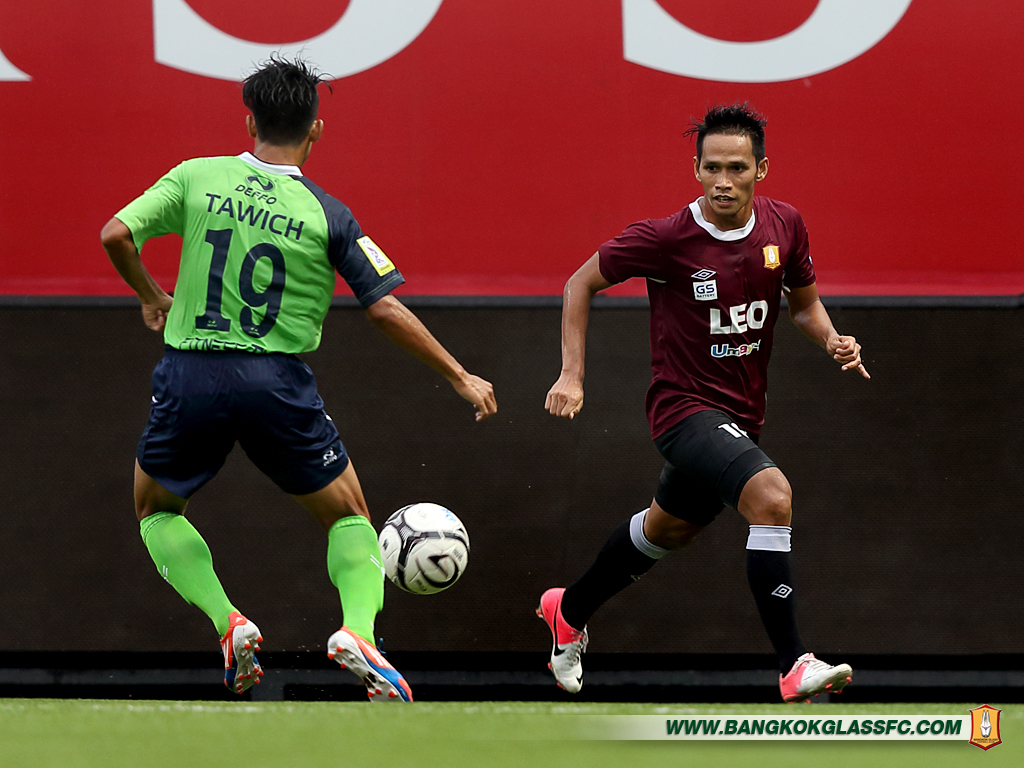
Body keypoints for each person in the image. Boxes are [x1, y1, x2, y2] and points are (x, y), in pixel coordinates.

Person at [101, 56, 496, 702]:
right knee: (349, 515)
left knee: (156, 509)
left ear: (249, 121)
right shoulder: (329, 214)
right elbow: (384, 308)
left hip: (191, 372)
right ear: (316, 130)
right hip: (275, 383)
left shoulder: (197, 176)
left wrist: (151, 294)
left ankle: (228, 620)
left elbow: (116, 234)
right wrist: (458, 374)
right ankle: (359, 631)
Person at [538, 103, 868, 703]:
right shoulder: (665, 238)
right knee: (772, 498)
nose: (723, 181)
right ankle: (794, 664)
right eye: (711, 168)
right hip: (682, 410)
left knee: (667, 530)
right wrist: (571, 374)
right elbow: (578, 282)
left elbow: (804, 306)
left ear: (760, 169)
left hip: (741, 417)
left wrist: (832, 339)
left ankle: (570, 610)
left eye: (736, 168)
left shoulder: (785, 225)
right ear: (695, 170)